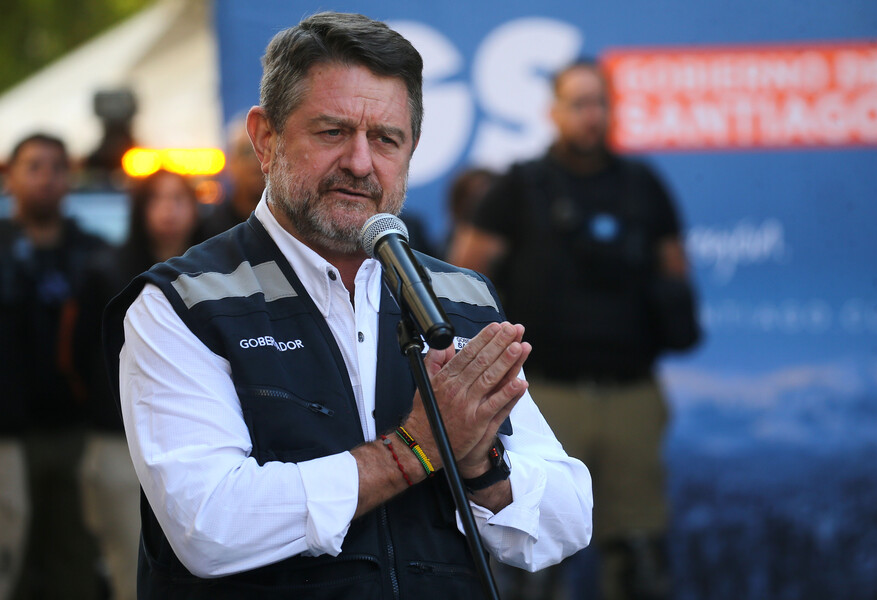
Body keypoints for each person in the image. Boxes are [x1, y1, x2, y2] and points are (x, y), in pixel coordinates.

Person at [102, 12, 592, 599]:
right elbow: (209, 525)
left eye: (386, 139)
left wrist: (480, 467)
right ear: (265, 138)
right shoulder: (181, 302)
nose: (360, 163)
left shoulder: (459, 297)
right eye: (333, 132)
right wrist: (414, 449)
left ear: (411, 152)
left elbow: (566, 520)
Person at [450, 60, 701, 600]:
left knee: (639, 557)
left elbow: (676, 275)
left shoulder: (642, 186)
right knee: (533, 559)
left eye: (600, 103)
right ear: (554, 112)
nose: (591, 115)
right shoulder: (520, 186)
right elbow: (462, 282)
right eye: (579, 103)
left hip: (632, 394)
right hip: (543, 396)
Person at [75, 169, 202, 600]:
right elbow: (77, 356)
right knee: (129, 570)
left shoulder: (223, 271)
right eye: (157, 199)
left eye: (179, 199)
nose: (169, 210)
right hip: (119, 439)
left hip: (200, 439)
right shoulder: (106, 270)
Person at [0, 133, 108, 599]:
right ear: (10, 177)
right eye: (34, 166)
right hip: (8, 434)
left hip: (77, 429)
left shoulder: (95, 254)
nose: (46, 177)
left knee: (76, 557)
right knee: (11, 556)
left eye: (57, 167)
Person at [197, 112, 266, 240]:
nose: (255, 161)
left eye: (263, 150)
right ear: (230, 163)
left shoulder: (291, 226)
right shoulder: (208, 229)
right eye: (246, 152)